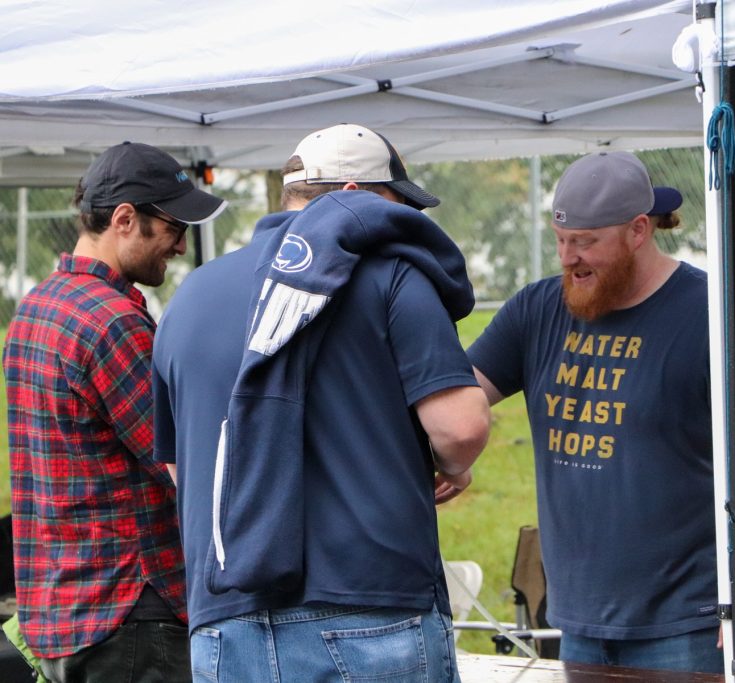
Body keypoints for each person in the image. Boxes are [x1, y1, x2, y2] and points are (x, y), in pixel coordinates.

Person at [150, 123, 490, 682]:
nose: (407, 220)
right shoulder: (393, 274)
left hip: (225, 622)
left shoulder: (191, 296)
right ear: (355, 197)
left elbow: (180, 469)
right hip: (372, 609)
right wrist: (452, 471)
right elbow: (460, 427)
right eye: (399, 204)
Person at [467, 150, 735, 672]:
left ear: (639, 231)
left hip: (686, 625)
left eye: (586, 242)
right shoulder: (536, 311)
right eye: (561, 241)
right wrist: (449, 450)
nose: (569, 258)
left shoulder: (715, 313)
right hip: (577, 621)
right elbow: (462, 398)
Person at [2, 141, 227, 683]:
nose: (180, 246)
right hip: (128, 615)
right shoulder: (112, 323)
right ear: (125, 219)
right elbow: (186, 464)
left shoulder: (37, 306)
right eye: (174, 227)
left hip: (60, 611)